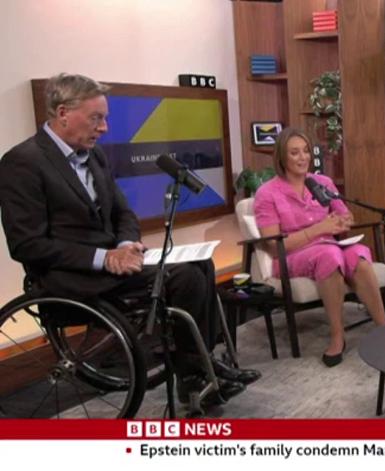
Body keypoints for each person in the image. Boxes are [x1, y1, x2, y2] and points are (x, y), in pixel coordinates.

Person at [0, 73, 260, 408]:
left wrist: (124, 245)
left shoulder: (95, 156)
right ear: (63, 113)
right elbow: (27, 244)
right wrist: (104, 257)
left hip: (115, 263)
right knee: (184, 277)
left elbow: (123, 212)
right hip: (70, 275)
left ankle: (200, 364)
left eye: (105, 118)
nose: (104, 127)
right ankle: (195, 375)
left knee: (200, 264)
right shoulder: (22, 162)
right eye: (96, 118)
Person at [253, 128, 385, 367]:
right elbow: (274, 246)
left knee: (357, 255)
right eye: (295, 152)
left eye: (306, 151)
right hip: (291, 256)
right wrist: (319, 229)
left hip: (330, 245)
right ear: (282, 157)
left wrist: (343, 221)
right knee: (329, 254)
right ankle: (337, 336)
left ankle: (384, 330)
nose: (303, 157)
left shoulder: (322, 183)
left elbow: (345, 215)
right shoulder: (267, 194)